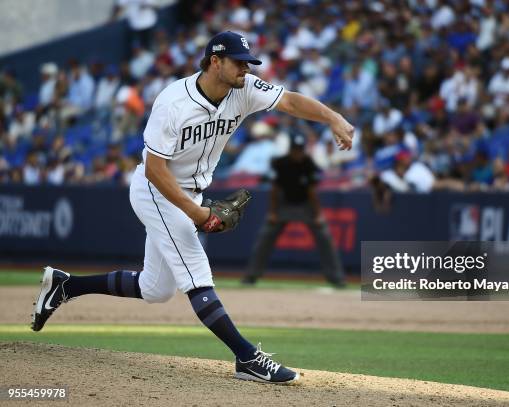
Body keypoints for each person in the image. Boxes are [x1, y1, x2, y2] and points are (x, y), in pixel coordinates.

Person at [31, 31, 353, 385]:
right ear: (215, 61)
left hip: (191, 190)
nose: (245, 69)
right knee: (197, 272)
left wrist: (333, 117)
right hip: (156, 189)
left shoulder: (244, 89)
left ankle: (65, 286)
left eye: (248, 63)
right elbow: (155, 169)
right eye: (238, 62)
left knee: (156, 289)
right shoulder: (173, 102)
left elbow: (289, 101)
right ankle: (246, 357)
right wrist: (195, 213)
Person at [242, 133, 346, 288]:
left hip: (305, 205)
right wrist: (273, 212)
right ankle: (251, 276)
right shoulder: (280, 163)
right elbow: (275, 190)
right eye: (295, 150)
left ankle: (337, 279)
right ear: (290, 150)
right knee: (265, 237)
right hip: (284, 204)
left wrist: (318, 215)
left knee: (325, 237)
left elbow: (312, 192)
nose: (297, 153)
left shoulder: (308, 163)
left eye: (300, 150)